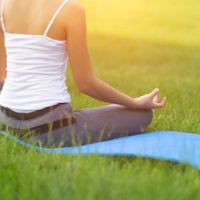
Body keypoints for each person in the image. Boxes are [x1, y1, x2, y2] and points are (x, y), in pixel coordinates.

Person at [0, 0, 166, 147]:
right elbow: (86, 84)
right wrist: (134, 103)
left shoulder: (3, 4)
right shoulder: (70, 9)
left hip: (7, 121)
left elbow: (2, 75)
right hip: (49, 129)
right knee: (142, 115)